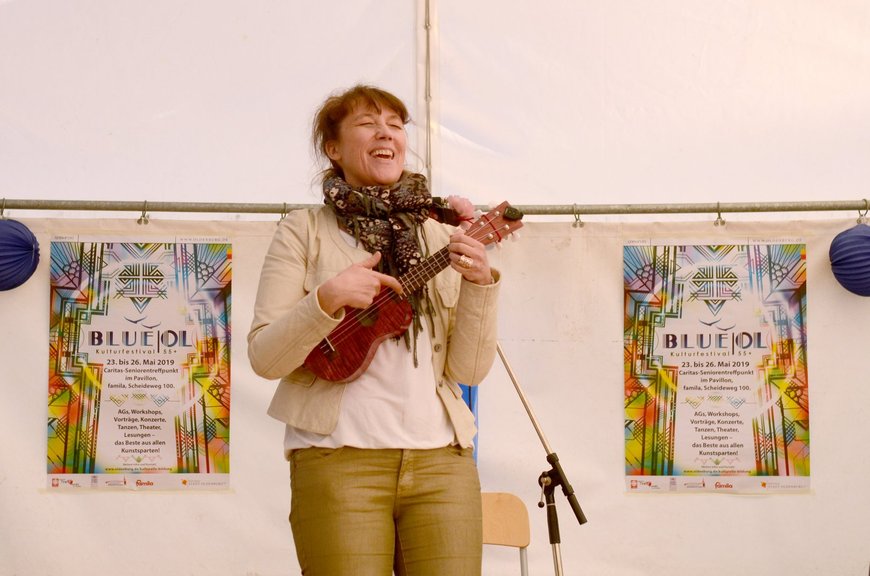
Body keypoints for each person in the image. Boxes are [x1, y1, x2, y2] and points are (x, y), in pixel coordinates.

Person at [247, 84, 501, 576]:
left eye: (396, 124)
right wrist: (325, 300)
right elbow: (265, 357)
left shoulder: (439, 233)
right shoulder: (304, 229)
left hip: (442, 462)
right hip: (338, 461)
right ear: (334, 148)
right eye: (367, 123)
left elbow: (468, 369)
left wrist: (480, 286)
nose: (386, 133)